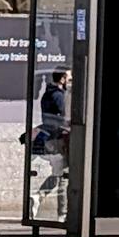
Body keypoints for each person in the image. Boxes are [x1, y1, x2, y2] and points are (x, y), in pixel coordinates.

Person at [32, 68, 71, 222]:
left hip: (49, 138)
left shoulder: (47, 94)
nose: (71, 81)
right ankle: (63, 213)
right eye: (69, 78)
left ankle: (38, 196)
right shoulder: (59, 96)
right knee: (64, 175)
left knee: (58, 173)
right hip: (59, 139)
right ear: (62, 79)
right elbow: (66, 117)